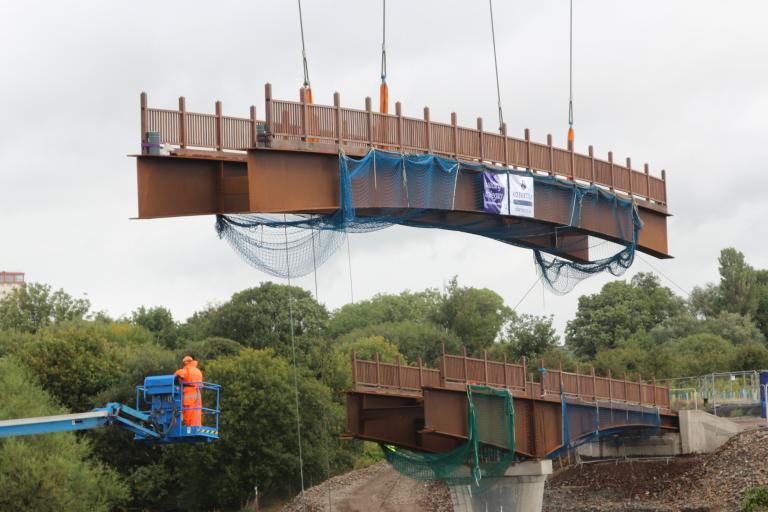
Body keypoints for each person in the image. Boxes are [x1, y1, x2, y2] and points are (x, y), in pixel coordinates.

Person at [175, 355, 203, 427]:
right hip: (197, 394)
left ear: (186, 362)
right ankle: (196, 426)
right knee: (196, 412)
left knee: (188, 411)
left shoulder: (187, 369)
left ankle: (189, 427)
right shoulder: (198, 371)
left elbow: (178, 374)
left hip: (189, 393)